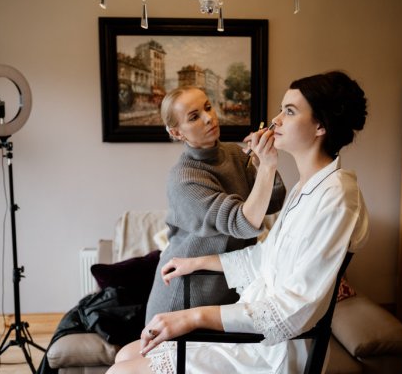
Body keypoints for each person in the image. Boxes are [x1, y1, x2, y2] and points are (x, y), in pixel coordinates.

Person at [107, 71, 369, 374]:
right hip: (245, 324)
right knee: (125, 355)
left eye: (289, 111)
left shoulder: (334, 195)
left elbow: (296, 305)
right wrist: (198, 263)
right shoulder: (308, 187)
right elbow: (262, 251)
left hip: (273, 348)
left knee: (121, 370)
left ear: (321, 125)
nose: (275, 120)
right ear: (177, 132)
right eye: (281, 109)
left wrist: (194, 317)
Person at [144, 85, 287, 323]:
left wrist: (262, 162)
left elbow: (274, 201)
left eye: (208, 108)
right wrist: (268, 165)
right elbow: (243, 223)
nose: (209, 118)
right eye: (194, 117)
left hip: (231, 287)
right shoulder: (184, 178)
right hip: (185, 294)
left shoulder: (235, 154)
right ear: (177, 133)